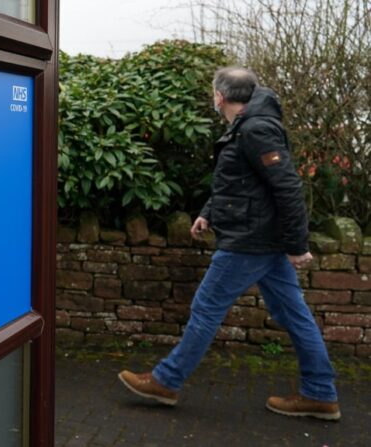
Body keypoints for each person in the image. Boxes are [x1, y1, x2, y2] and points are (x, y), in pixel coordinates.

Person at [117, 67, 340, 420]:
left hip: (249, 242)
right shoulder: (249, 125)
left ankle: (166, 380)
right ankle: (320, 394)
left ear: (219, 97)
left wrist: (297, 244)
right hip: (260, 239)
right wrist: (209, 212)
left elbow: (287, 188)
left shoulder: (256, 129)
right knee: (294, 315)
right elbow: (240, 184)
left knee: (206, 309)